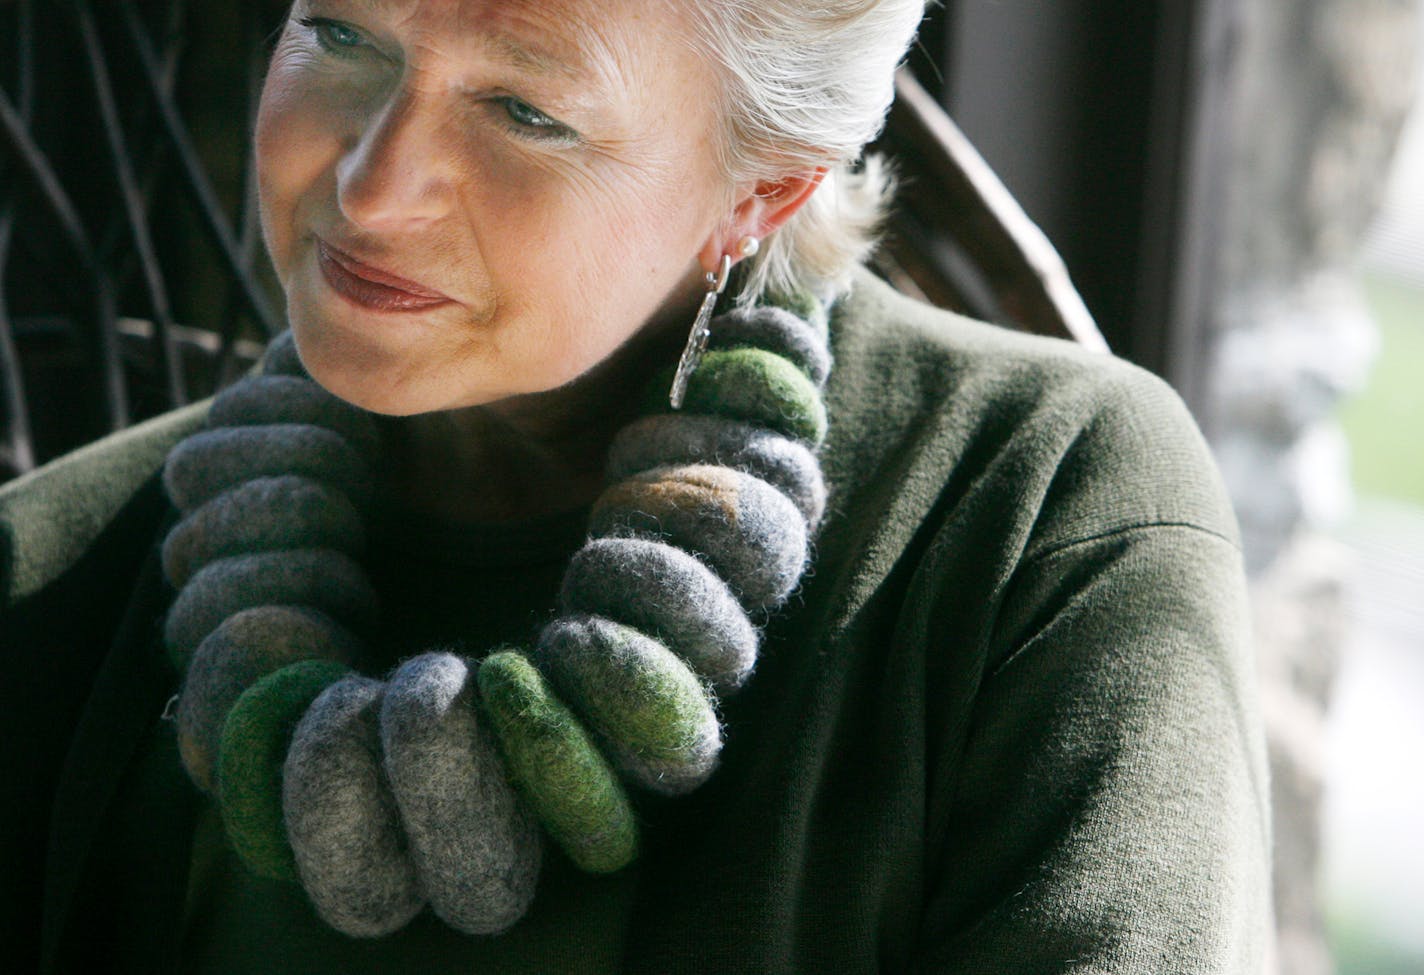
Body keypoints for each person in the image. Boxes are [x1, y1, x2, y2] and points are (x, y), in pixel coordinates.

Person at [0, 0, 1271, 971]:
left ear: (763, 191)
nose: (369, 187)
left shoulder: (1038, 518)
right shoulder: (41, 571)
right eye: (340, 32)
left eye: (526, 112)